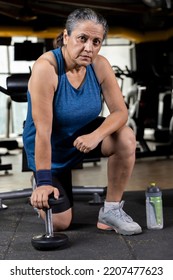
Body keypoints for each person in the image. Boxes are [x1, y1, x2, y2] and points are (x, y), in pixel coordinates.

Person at [23, 7, 142, 236]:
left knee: (125, 136)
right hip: (51, 147)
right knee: (60, 224)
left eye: (96, 42)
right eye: (82, 38)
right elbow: (43, 132)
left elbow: (120, 112)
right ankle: (39, 180)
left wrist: (96, 135)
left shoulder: (99, 65)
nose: (89, 48)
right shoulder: (46, 68)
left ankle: (111, 210)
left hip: (83, 138)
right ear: (66, 37)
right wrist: (45, 179)